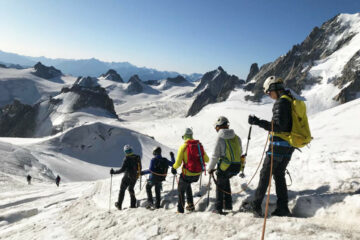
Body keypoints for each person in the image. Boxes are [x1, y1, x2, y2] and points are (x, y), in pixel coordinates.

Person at [242, 76, 295, 217]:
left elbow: (278, 127)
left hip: (278, 146)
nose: (268, 95)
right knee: (279, 175)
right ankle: (282, 207)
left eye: (268, 92)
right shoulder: (290, 99)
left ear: (273, 88)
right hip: (289, 146)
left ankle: (256, 204)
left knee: (265, 174)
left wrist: (257, 122)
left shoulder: (281, 102)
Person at [208, 116, 243, 215]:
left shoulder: (220, 137)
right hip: (236, 166)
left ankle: (218, 209)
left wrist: (210, 168)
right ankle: (228, 206)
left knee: (220, 185)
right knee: (225, 181)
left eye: (216, 127)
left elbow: (215, 155)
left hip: (225, 166)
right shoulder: (236, 137)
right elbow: (240, 151)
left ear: (219, 127)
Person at [172, 128, 209, 213]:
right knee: (187, 184)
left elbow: (178, 163)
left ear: (184, 136)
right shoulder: (199, 145)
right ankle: (191, 205)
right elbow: (207, 159)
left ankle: (180, 210)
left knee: (181, 189)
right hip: (197, 174)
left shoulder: (183, 147)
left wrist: (173, 168)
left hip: (187, 173)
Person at [110, 144, 142, 210]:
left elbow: (122, 170)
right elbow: (140, 167)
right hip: (135, 177)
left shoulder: (126, 159)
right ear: (132, 150)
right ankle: (133, 204)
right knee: (131, 189)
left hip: (127, 177)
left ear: (125, 152)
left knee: (122, 190)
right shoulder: (137, 157)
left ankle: (119, 204)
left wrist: (113, 172)